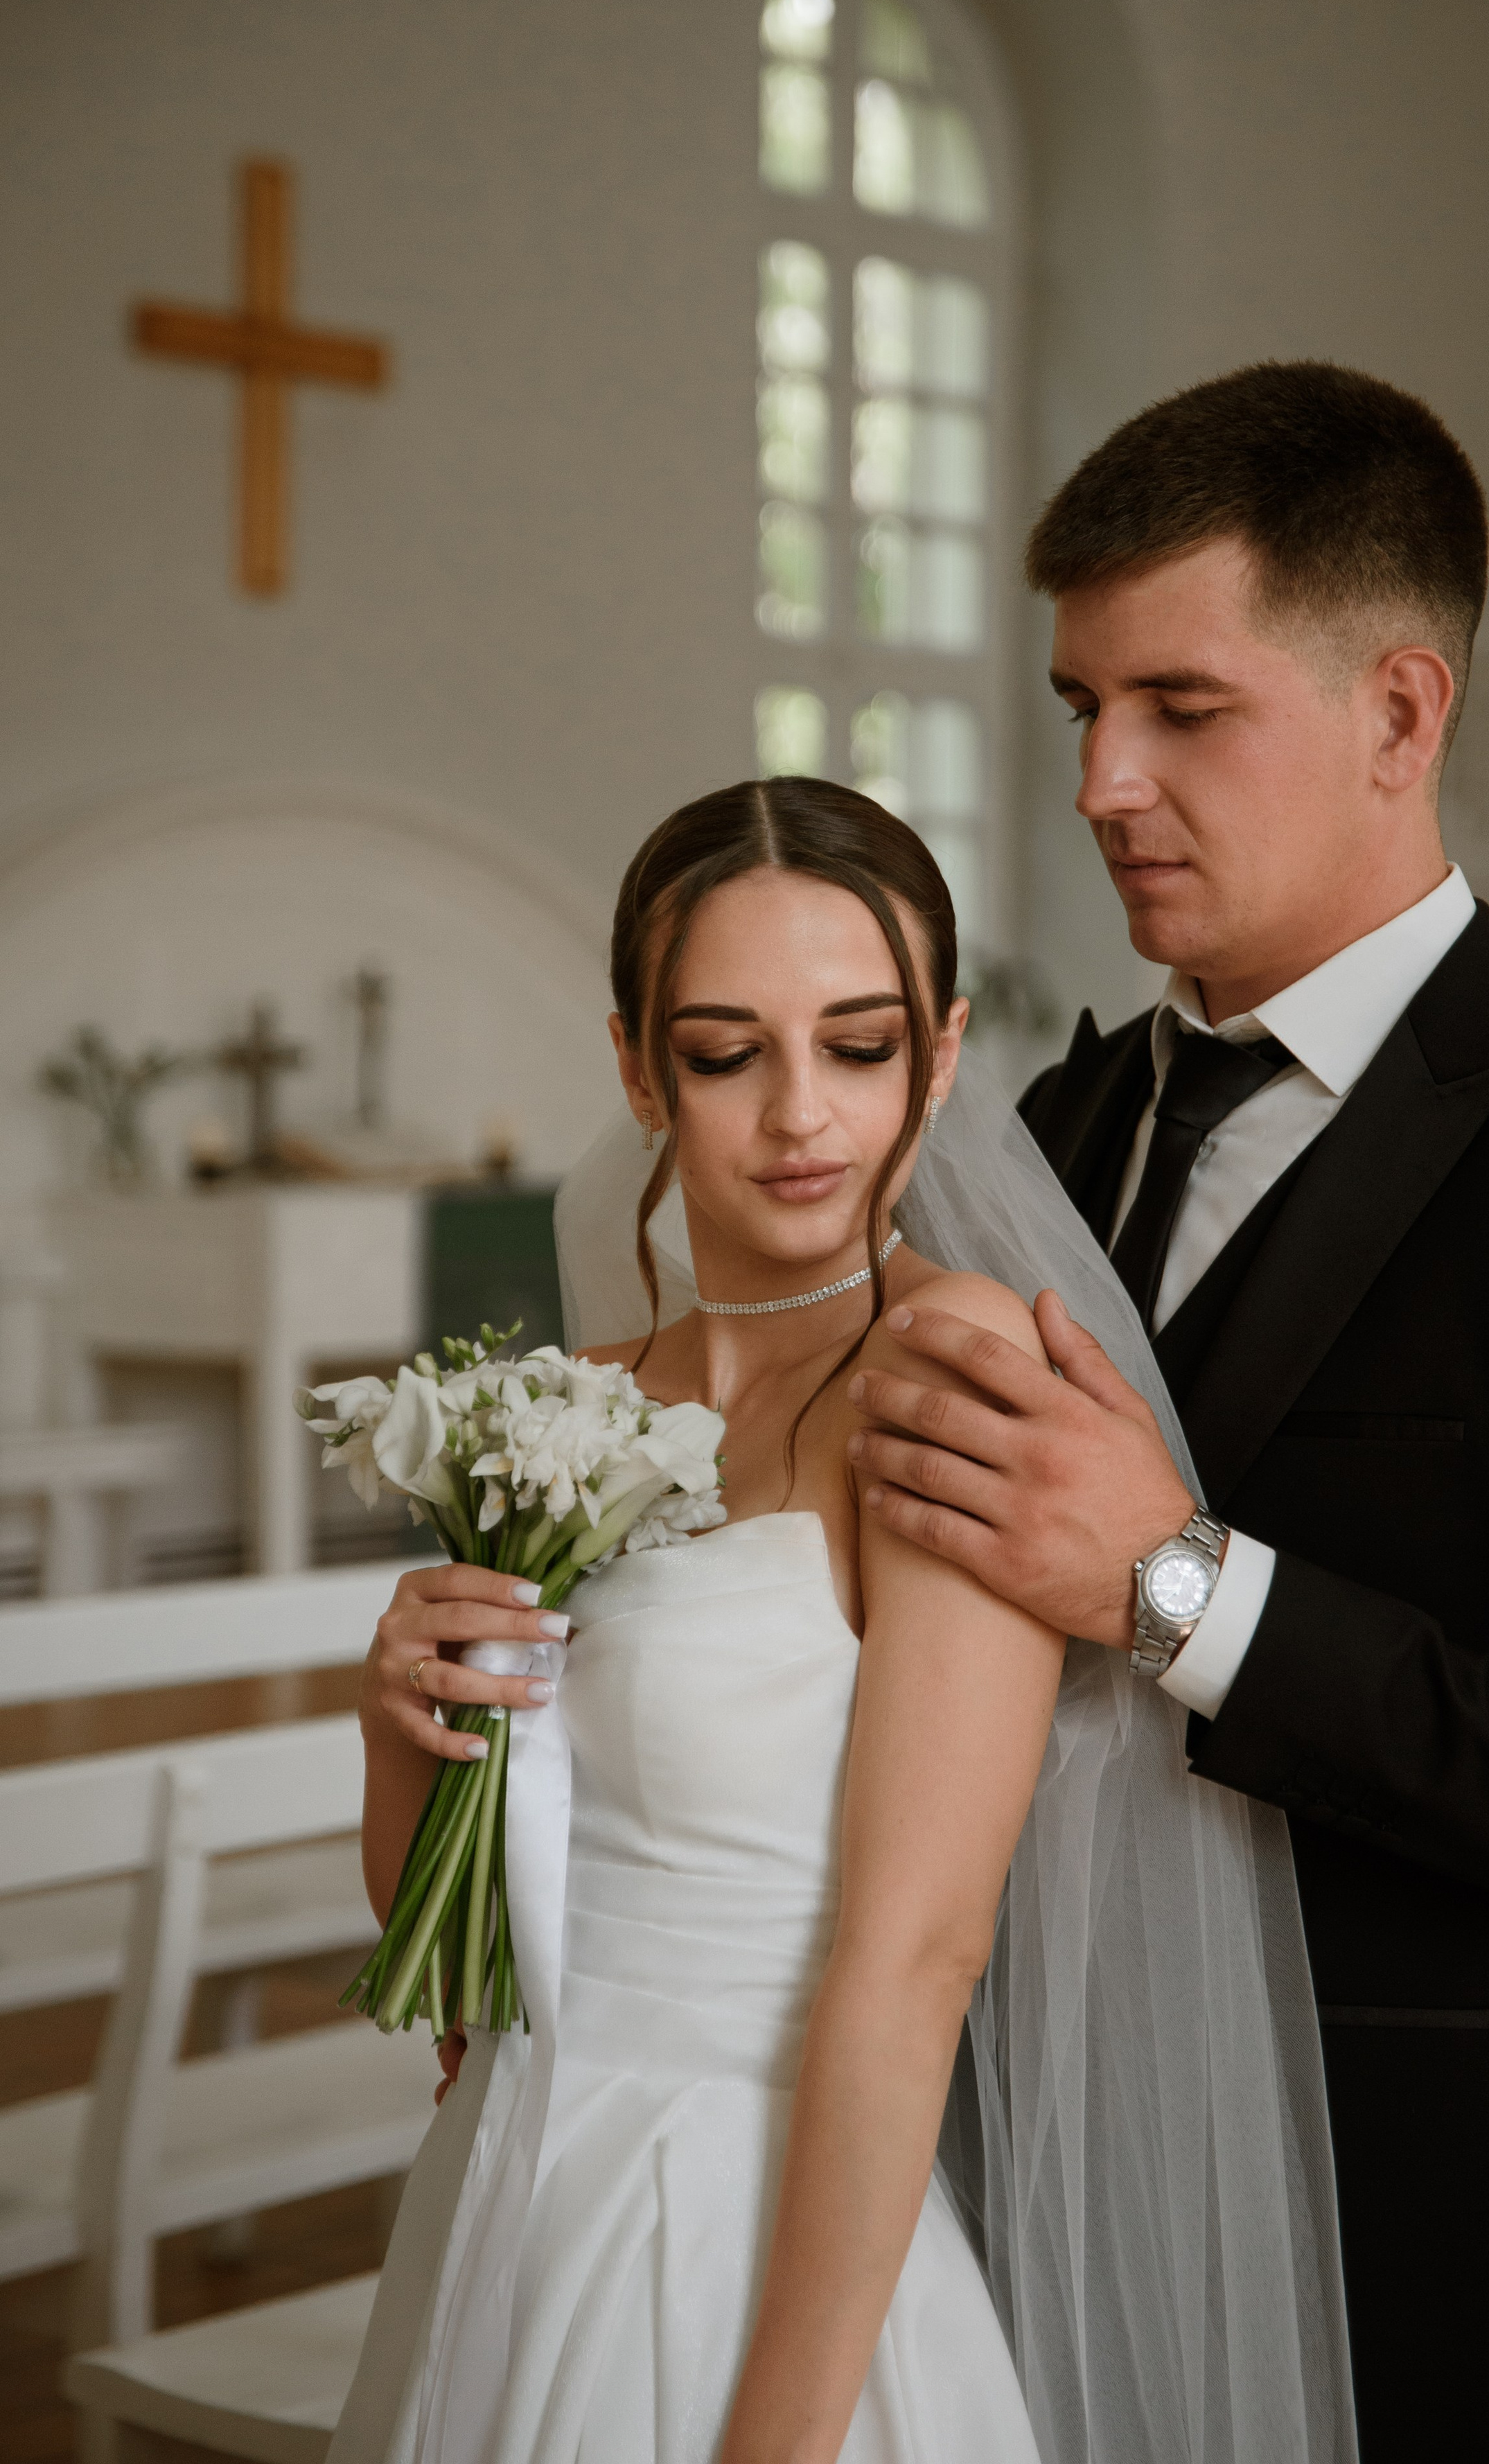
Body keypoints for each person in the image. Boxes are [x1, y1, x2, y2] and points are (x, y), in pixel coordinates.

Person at [846, 360, 1489, 2464]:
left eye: (1181, 706)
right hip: (1007, 2230)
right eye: (1081, 706)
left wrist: (1181, 1587)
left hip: (1424, 2274)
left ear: (1400, 712)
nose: (1100, 780)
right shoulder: (1035, 1142)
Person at [328, 776, 1355, 2464]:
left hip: (766, 2227)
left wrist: (778, 2442)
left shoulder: (950, 1378)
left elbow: (916, 1960)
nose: (798, 1113)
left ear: (939, 1056)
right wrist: (399, 1713)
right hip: (515, 2184)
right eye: (727, 1053)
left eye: (857, 1045)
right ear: (637, 1066)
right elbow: (450, 1952)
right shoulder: (559, 1405)